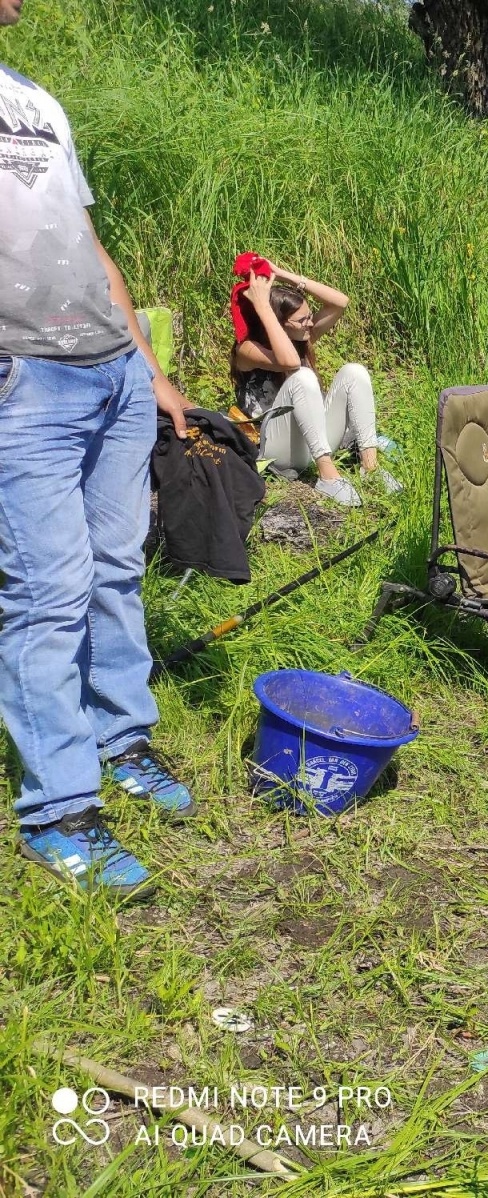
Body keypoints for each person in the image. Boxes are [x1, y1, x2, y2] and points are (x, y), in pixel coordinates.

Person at [1, 11, 197, 899]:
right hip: (25, 381)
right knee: (49, 594)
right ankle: (59, 809)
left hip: (111, 369)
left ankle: (122, 738)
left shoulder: (37, 101)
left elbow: (88, 244)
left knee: (116, 568)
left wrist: (148, 369)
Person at [230, 262, 400, 506]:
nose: (310, 323)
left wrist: (282, 274)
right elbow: (289, 362)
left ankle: (370, 467)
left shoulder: (301, 336)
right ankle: (328, 476)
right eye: (302, 320)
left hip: (314, 440)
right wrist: (263, 307)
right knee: (302, 376)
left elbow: (340, 303)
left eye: (309, 316)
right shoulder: (247, 349)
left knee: (354, 372)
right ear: (278, 323)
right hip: (278, 451)